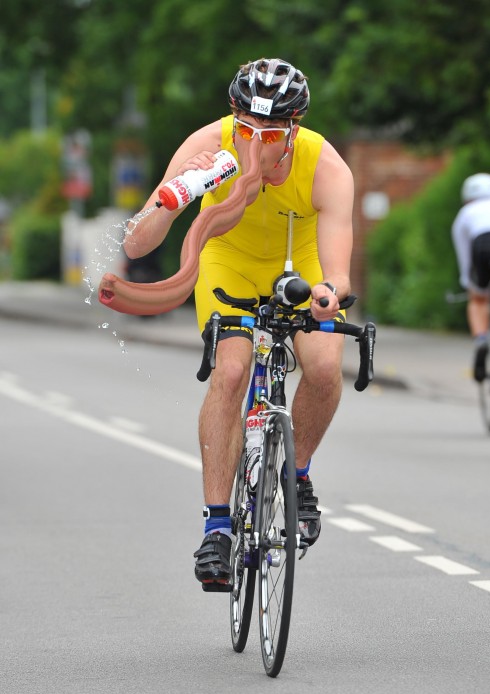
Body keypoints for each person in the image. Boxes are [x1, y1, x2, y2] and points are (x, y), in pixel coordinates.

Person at [124, 58, 354, 590]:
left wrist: (327, 296)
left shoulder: (325, 165)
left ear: (293, 128)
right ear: (233, 119)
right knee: (230, 369)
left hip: (301, 265)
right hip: (225, 258)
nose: (256, 144)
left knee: (323, 365)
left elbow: (338, 272)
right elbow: (137, 243)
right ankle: (218, 528)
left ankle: (298, 477)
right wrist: (172, 195)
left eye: (270, 132)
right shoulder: (208, 143)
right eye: (246, 129)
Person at [452, 172, 490, 382]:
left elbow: (465, 257)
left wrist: (469, 284)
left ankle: (481, 340)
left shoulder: (466, 213)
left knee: (479, 299)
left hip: (483, 245)